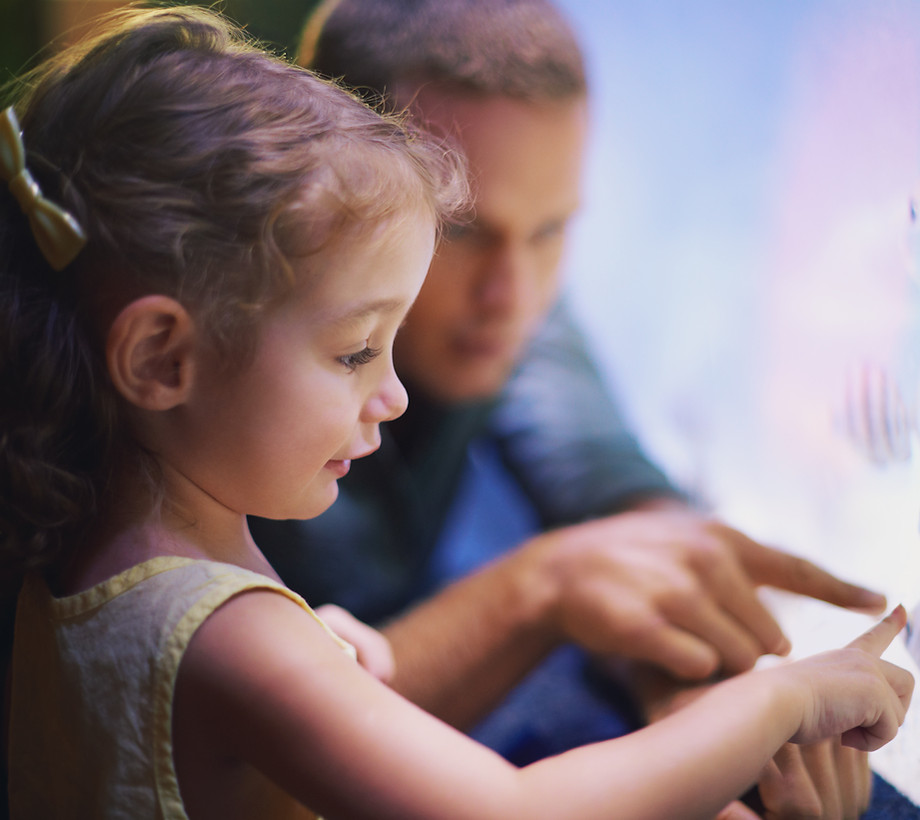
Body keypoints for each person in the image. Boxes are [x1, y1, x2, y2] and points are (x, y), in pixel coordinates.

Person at [0, 6, 914, 819]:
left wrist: (344, 659)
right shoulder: (229, 637)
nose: (390, 395)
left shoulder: (83, 552)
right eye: (356, 351)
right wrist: (778, 703)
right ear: (163, 358)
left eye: (554, 231)